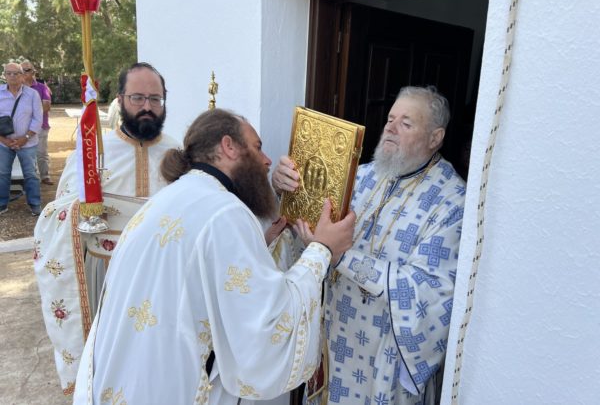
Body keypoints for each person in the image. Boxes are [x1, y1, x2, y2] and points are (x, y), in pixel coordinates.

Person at [72, 108, 356, 405]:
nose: (267, 160)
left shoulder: (172, 196)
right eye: (257, 147)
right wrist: (322, 250)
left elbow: (200, 277)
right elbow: (265, 327)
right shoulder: (226, 212)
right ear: (228, 146)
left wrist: (261, 244)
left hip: (130, 380)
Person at [271, 86, 466, 404]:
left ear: (435, 138)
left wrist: (341, 256)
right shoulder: (358, 177)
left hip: (383, 359)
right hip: (333, 340)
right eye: (390, 119)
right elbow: (303, 234)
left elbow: (427, 294)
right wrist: (284, 191)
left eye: (406, 123)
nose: (391, 127)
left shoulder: (452, 202)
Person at [33, 62, 179, 395]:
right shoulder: (94, 150)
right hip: (106, 275)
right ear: (120, 99)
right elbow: (55, 212)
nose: (147, 106)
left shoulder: (177, 153)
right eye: (138, 97)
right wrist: (80, 208)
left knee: (157, 364)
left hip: (161, 276)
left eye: (155, 99)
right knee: (108, 361)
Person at [0, 62, 43, 216]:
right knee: (2, 174)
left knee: (31, 174)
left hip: (28, 142)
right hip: (3, 143)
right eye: (9, 73)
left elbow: (38, 118)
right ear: (4, 75)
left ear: (22, 76)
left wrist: (25, 137)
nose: (12, 76)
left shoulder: (32, 94)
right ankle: (2, 204)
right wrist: (3, 140)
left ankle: (35, 204)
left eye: (16, 73)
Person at [21, 60, 53, 185]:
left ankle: (45, 176)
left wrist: (27, 112)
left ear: (33, 72)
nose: (24, 72)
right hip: (22, 127)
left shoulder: (42, 87)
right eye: (22, 70)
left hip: (41, 126)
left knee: (41, 153)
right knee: (26, 153)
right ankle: (30, 177)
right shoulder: (16, 87)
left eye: (27, 70)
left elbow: (47, 106)